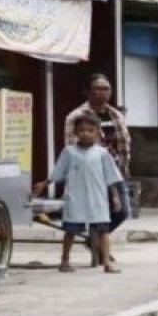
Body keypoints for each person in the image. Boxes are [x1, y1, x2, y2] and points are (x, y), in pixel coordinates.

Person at [35, 113, 124, 274]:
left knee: (103, 230)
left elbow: (111, 176)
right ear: (75, 132)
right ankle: (65, 260)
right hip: (75, 197)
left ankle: (106, 263)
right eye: (82, 130)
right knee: (71, 230)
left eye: (90, 130)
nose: (86, 133)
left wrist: (115, 197)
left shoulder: (102, 153)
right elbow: (58, 171)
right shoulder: (69, 152)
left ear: (97, 133)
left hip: (98, 198)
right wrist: (45, 183)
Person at [64, 74, 131, 234]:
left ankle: (97, 243)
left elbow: (125, 143)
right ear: (88, 92)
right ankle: (100, 248)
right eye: (97, 89)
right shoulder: (77, 116)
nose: (102, 93)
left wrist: (125, 166)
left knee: (122, 212)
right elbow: (72, 147)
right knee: (98, 214)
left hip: (115, 172)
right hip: (92, 173)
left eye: (106, 89)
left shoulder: (116, 115)